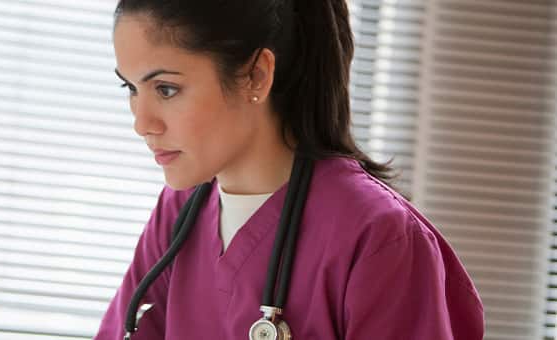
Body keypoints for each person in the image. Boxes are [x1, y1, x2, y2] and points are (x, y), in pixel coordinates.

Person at [95, 0, 485, 339]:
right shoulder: (180, 214)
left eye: (165, 89)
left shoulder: (376, 236)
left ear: (257, 75)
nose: (142, 122)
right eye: (130, 88)